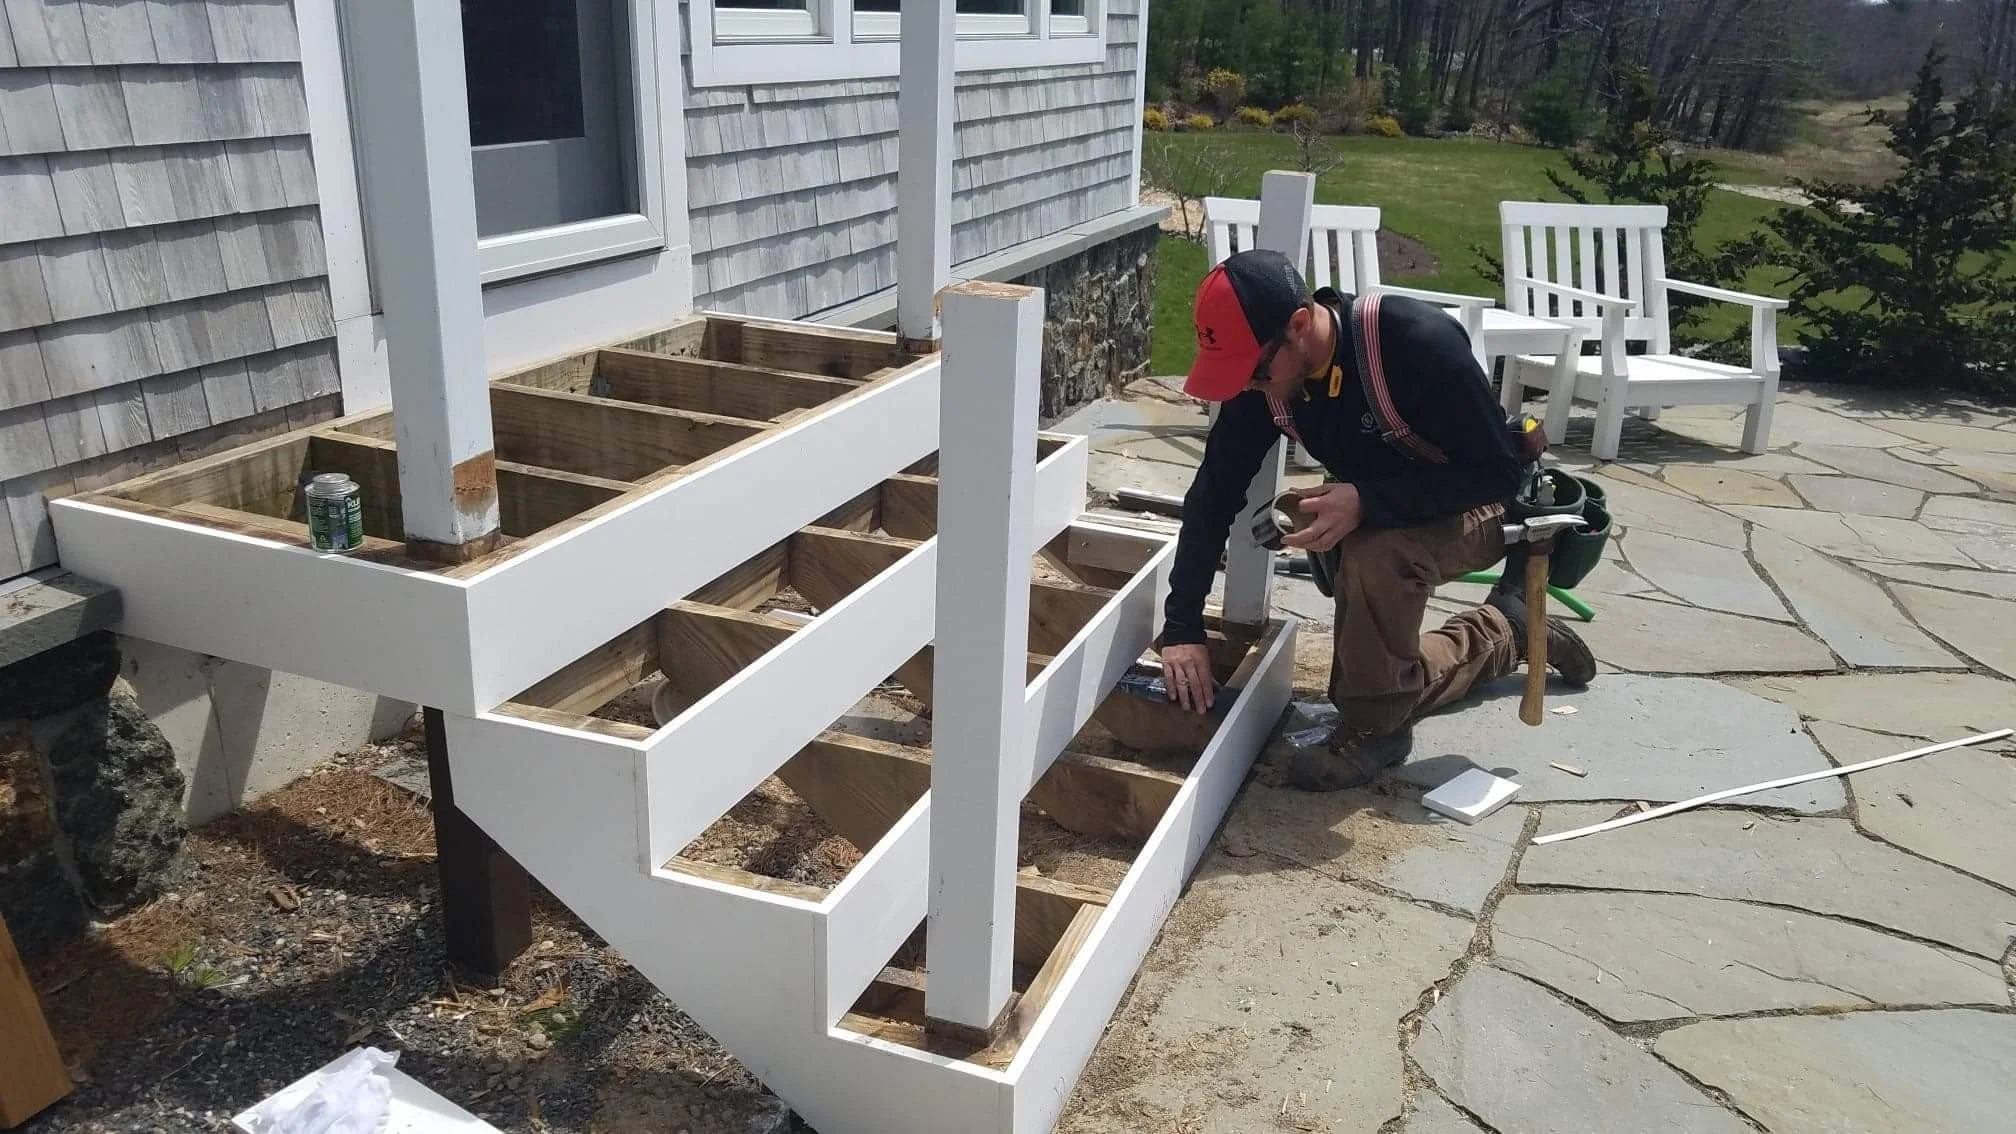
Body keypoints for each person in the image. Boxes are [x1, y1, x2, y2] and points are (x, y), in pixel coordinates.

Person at [1156, 247, 1596, 791]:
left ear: (1298, 325)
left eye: (1254, 372)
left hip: (1487, 502)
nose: (1248, 387)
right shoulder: (1268, 378)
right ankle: (1507, 630)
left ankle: (1375, 727)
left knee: (1377, 554)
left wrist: (1367, 503)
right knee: (1327, 527)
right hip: (1403, 498)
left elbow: (1497, 475)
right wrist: (1181, 628)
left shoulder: (1414, 342)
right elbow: (1212, 495)